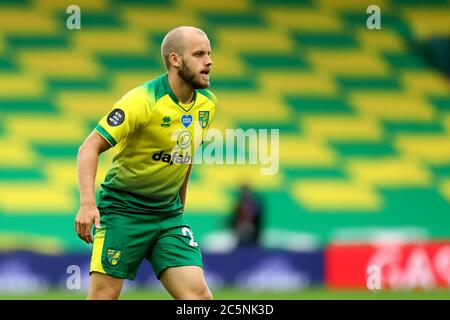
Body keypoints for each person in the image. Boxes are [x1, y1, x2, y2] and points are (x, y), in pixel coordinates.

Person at [74, 26, 216, 300]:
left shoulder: (207, 105)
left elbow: (184, 157)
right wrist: (87, 203)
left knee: (199, 298)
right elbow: (89, 147)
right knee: (103, 297)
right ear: (175, 60)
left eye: (209, 54)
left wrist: (179, 209)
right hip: (123, 212)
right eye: (199, 54)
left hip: (167, 216)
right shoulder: (143, 100)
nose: (209, 61)